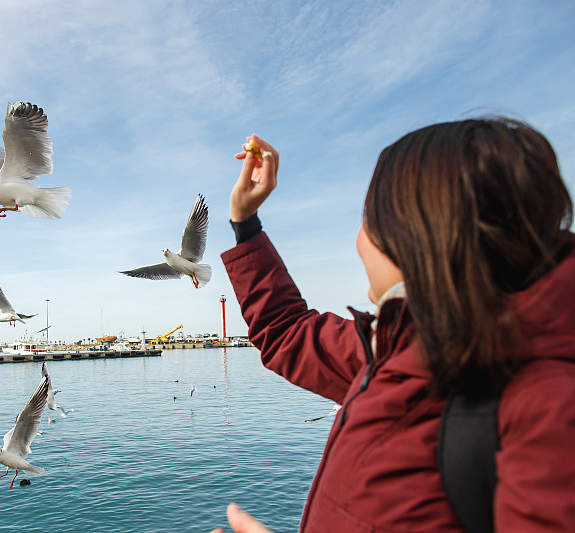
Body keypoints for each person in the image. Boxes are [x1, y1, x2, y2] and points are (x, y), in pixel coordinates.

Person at [213, 119, 575, 532]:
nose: (358, 239)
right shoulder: (398, 347)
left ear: (420, 232)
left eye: (370, 219)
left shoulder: (548, 403)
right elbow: (286, 334)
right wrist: (245, 222)